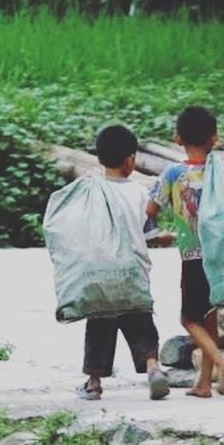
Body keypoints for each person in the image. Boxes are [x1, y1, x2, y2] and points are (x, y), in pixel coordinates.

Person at [77, 124, 171, 401]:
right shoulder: (140, 193)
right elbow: (151, 235)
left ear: (98, 158)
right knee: (140, 322)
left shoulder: (89, 192)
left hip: (99, 273)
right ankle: (153, 369)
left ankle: (93, 383)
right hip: (132, 275)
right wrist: (168, 237)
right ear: (131, 159)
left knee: (99, 326)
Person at [148, 106, 224, 398]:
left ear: (177, 137)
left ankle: (221, 362)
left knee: (189, 320)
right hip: (219, 256)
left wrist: (157, 231)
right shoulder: (220, 172)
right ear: (214, 138)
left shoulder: (173, 173)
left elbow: (150, 210)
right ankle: (204, 384)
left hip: (193, 257)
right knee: (210, 318)